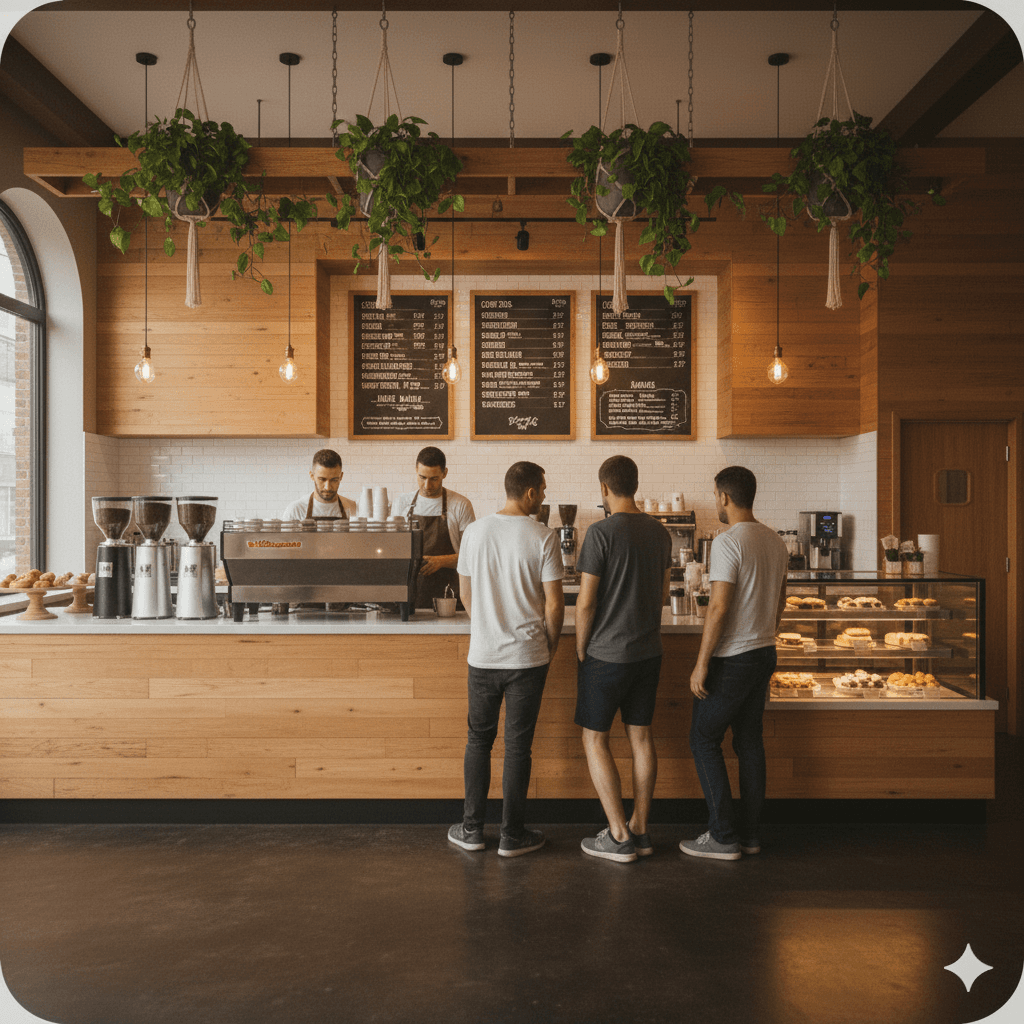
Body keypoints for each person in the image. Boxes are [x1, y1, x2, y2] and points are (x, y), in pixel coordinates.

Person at [448, 461, 564, 858]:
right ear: (530, 492)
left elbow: (466, 595)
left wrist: (486, 626)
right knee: (517, 747)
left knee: (478, 740)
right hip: (527, 659)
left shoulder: (474, 532)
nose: (544, 496)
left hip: (483, 656)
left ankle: (471, 831)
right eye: (542, 490)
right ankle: (512, 836)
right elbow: (554, 604)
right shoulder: (543, 536)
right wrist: (550, 646)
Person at [680, 465, 788, 861]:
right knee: (748, 742)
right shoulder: (775, 541)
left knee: (703, 739)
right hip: (764, 652)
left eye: (715, 496)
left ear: (724, 497)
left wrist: (701, 663)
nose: (716, 503)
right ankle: (750, 835)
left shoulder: (728, 542)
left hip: (733, 658)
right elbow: (780, 601)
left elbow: (719, 607)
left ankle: (723, 836)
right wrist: (764, 633)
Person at [574, 455, 673, 863]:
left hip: (606, 654)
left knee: (594, 738)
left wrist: (581, 648)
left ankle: (617, 835)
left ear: (604, 488)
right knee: (641, 737)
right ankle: (641, 829)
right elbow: (664, 594)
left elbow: (585, 603)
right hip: (648, 653)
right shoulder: (660, 533)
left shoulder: (600, 533)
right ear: (634, 484)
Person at [391, 446, 475, 609]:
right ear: (416, 470)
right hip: (410, 593)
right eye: (422, 477)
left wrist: (442, 561)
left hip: (449, 594)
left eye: (434, 479)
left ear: (445, 473)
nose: (427, 485)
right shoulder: (401, 503)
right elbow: (393, 550)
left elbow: (473, 555)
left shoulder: (460, 505)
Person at [281, 449, 356, 522]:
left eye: (334, 480)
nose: (327, 487)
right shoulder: (296, 510)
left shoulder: (353, 508)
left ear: (341, 477)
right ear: (312, 476)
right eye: (322, 479)